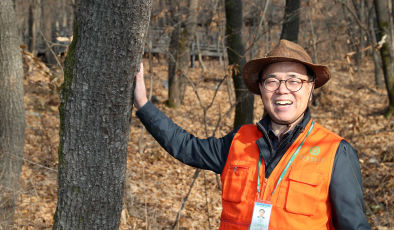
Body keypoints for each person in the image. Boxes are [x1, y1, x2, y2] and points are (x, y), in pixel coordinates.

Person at [133, 39, 371, 230]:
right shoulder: (239, 141)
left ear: (310, 89)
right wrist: (143, 104)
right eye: (272, 81)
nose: (282, 89)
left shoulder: (335, 151)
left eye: (294, 81)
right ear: (261, 89)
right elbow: (185, 147)